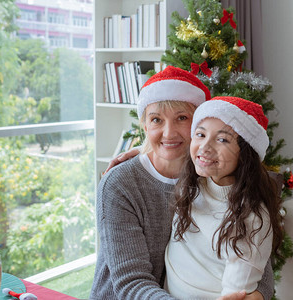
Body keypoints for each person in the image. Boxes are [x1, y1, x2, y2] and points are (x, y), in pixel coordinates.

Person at [90, 66, 274, 300]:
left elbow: (254, 248)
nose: (169, 133)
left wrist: (258, 294)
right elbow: (131, 284)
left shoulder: (210, 175)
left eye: (182, 118)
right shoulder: (120, 184)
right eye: (156, 120)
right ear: (145, 126)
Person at [165, 96, 283, 299]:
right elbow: (159, 151)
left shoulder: (252, 218)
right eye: (200, 134)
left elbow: (236, 293)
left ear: (245, 154)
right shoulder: (194, 181)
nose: (205, 147)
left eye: (222, 139)